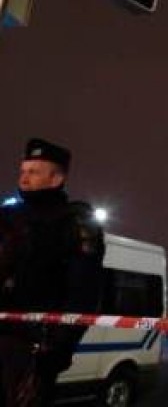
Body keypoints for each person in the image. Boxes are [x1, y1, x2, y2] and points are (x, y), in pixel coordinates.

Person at [0, 138, 105, 406]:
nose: (24, 178)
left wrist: (59, 349)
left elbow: (84, 292)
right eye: (23, 171)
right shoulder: (9, 217)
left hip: (33, 347)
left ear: (56, 178)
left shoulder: (75, 223)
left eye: (34, 172)